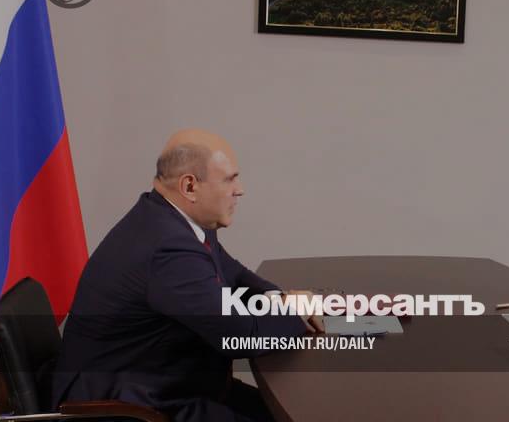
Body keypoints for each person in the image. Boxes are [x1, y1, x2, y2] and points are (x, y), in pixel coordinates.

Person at [52, 129, 323, 422]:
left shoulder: (171, 219)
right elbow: (240, 336)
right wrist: (295, 312)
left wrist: (278, 298)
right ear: (190, 186)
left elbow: (233, 273)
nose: (240, 189)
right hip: (125, 405)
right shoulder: (168, 247)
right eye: (229, 179)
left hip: (165, 381)